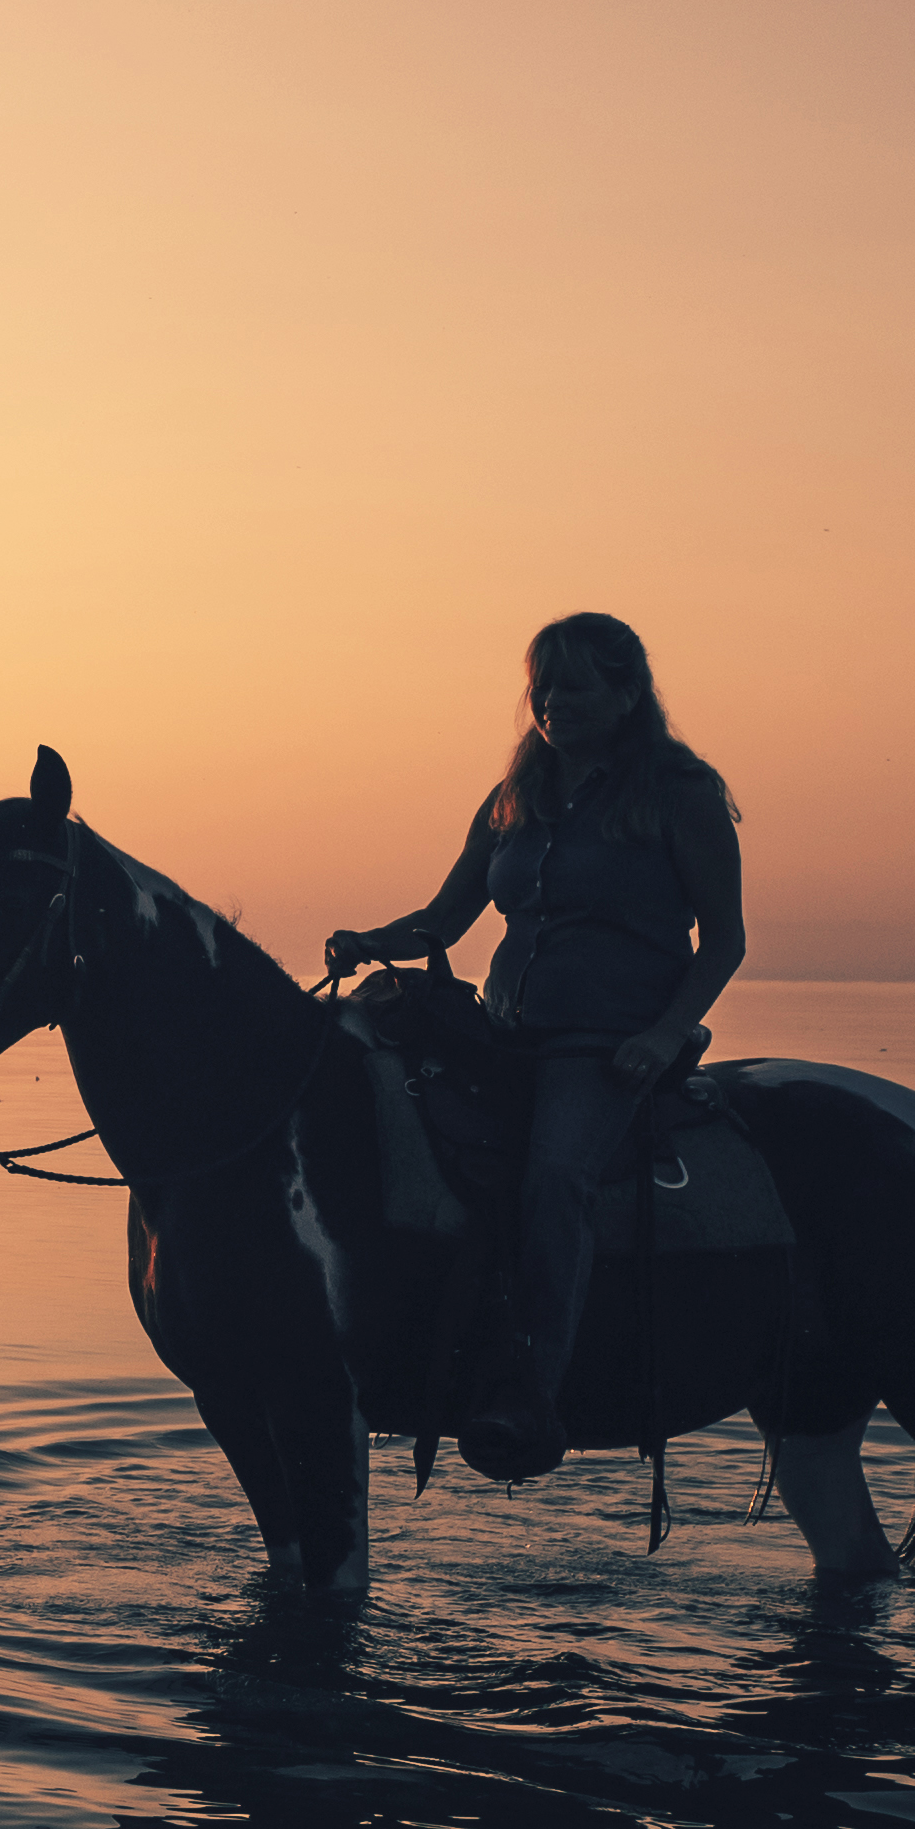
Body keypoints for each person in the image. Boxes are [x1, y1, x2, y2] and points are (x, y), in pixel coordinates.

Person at [326, 611, 745, 1479]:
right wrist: (371, 938)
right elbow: (445, 920)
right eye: (542, 685)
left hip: (604, 1044)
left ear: (628, 694)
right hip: (502, 1030)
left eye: (575, 684)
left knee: (556, 1176)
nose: (552, 702)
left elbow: (726, 939)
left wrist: (664, 1034)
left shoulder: (679, 793)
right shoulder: (515, 796)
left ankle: (533, 1389)